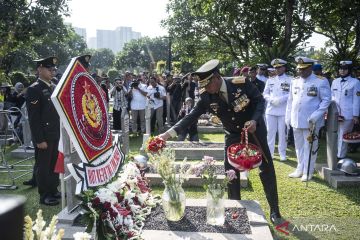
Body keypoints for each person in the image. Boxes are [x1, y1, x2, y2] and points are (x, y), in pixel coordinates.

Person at [159, 59, 282, 224]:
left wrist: (254, 120)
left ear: (217, 77)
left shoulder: (241, 83)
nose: (207, 89)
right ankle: (235, 208)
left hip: (254, 131)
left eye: (208, 84)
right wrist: (166, 135)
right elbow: (190, 117)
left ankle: (275, 211)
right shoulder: (206, 96)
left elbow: (260, 101)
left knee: (266, 168)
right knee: (230, 172)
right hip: (232, 134)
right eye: (203, 86)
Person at [286, 57, 331, 181]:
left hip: (311, 122)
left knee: (310, 147)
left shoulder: (320, 81)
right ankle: (300, 169)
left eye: (304, 69)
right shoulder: (294, 81)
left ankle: (308, 171)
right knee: (298, 146)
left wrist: (316, 116)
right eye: (299, 69)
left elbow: (326, 100)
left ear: (310, 68)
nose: (301, 72)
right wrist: (288, 117)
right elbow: (290, 101)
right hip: (296, 119)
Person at [26, 56, 60, 205]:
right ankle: (44, 194)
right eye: (49, 69)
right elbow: (33, 118)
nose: (52, 72)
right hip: (44, 136)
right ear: (39, 69)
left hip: (55, 132)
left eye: (53, 69)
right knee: (43, 166)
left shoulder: (53, 86)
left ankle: (53, 189)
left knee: (54, 163)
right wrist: (39, 139)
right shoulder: (34, 89)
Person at [263, 59, 292, 161]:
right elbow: (265, 93)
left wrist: (281, 99)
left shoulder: (290, 80)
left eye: (279, 67)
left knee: (282, 133)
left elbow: (292, 94)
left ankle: (282, 153)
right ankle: (270, 152)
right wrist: (270, 99)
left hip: (283, 110)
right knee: (270, 132)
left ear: (284, 68)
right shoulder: (270, 80)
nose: (277, 69)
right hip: (271, 110)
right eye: (275, 68)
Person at [331, 61, 360, 159]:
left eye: (345, 69)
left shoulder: (355, 82)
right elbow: (332, 96)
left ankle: (340, 155)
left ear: (349, 70)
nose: (342, 71)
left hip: (347, 113)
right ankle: (335, 153)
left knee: (343, 135)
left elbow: (357, 99)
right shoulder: (335, 81)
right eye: (340, 68)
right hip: (335, 113)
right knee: (334, 133)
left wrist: (355, 115)